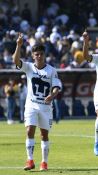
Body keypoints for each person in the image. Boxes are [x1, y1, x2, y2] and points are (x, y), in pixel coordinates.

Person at [13, 33, 62, 171]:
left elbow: (57, 87)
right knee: (29, 131)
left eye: (41, 54)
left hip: (46, 107)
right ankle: (30, 160)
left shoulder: (51, 70)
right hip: (31, 105)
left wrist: (52, 96)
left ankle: (44, 162)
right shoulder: (29, 67)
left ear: (44, 54)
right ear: (33, 55)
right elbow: (16, 61)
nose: (39, 56)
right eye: (36, 54)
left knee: (44, 135)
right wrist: (18, 45)